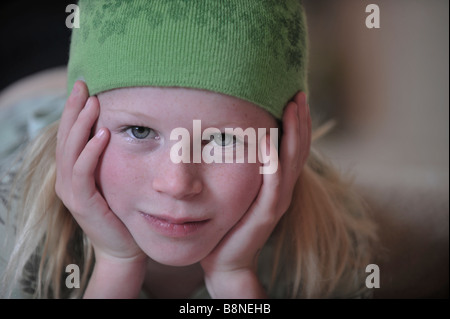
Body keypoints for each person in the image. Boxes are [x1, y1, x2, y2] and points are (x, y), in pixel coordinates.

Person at [0, 0, 377, 299]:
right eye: (139, 130)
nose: (177, 183)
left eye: (223, 140)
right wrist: (117, 265)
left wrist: (235, 279)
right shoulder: (18, 219)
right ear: (77, 131)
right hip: (27, 76)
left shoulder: (329, 235)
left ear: (289, 142)